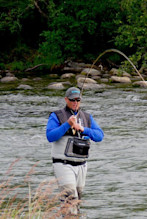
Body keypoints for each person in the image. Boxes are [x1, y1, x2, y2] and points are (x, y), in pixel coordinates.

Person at [46, 87, 104, 215]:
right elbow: (50, 136)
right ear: (66, 99)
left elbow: (99, 136)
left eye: (78, 100)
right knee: (70, 200)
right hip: (63, 164)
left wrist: (82, 129)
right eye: (72, 100)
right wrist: (67, 124)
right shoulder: (56, 116)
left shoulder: (87, 117)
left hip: (81, 165)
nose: (75, 102)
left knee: (77, 203)